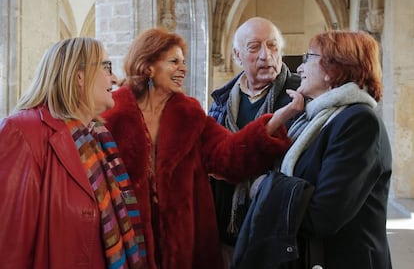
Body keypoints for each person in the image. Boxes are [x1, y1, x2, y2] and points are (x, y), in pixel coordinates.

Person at [101, 27, 304, 269]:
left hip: (187, 247)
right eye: (174, 62)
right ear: (148, 66)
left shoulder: (189, 114)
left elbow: (230, 155)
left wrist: (276, 120)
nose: (183, 69)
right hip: (127, 242)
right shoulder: (112, 114)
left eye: (183, 62)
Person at [234, 30, 392, 269]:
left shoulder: (359, 123)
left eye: (308, 58)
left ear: (333, 68)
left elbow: (323, 216)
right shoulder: (312, 119)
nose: (299, 68)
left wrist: (264, 187)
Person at [0, 38, 147, 269]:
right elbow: (9, 246)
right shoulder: (22, 132)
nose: (114, 78)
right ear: (79, 76)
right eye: (106, 67)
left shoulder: (99, 137)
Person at [208, 16, 301, 266]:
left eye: (272, 46)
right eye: (254, 47)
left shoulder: (298, 99)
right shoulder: (220, 104)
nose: (265, 55)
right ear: (237, 55)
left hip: (275, 234)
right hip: (227, 230)